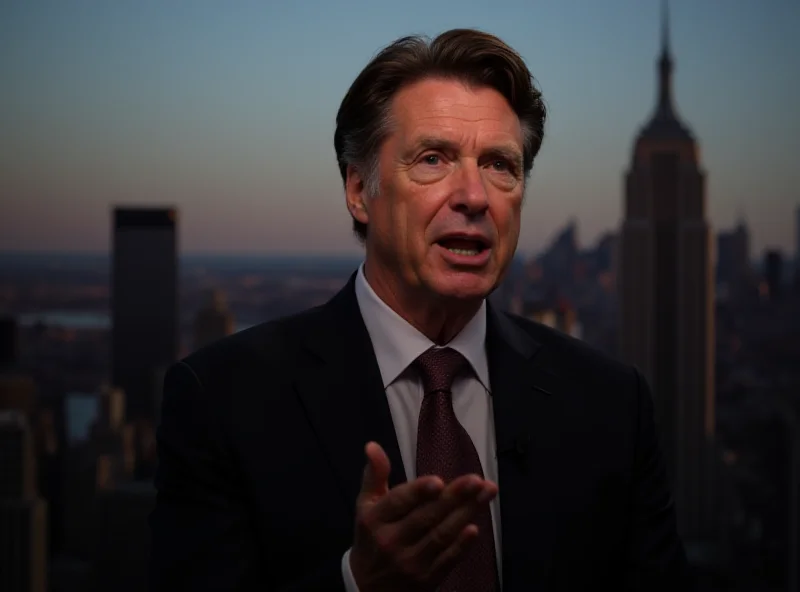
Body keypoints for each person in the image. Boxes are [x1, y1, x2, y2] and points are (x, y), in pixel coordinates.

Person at [149, 28, 690, 591]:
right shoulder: (223, 401)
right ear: (360, 191)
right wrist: (358, 584)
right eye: (434, 159)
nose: (475, 196)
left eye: (500, 165)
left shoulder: (610, 404)